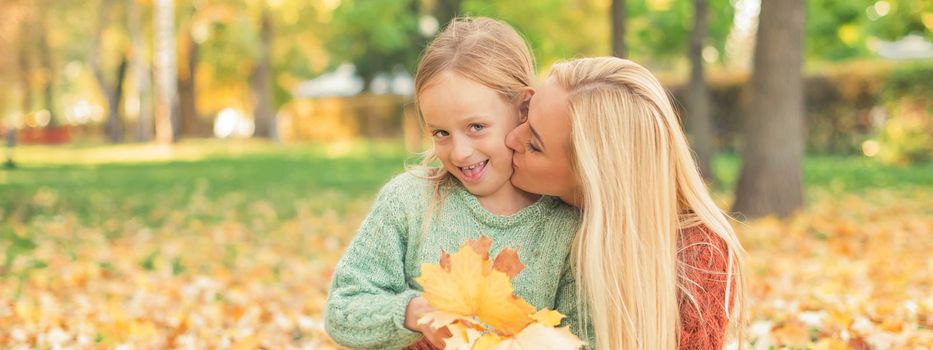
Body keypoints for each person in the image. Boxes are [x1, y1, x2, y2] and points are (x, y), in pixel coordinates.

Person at [324, 17, 582, 349]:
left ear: (523, 108)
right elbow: (343, 309)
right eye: (441, 133)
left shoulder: (566, 225)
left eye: (476, 127)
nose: (459, 152)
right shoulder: (409, 202)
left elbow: (584, 336)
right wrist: (412, 314)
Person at [506, 56, 747, 349]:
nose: (510, 139)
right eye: (524, 118)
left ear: (594, 177)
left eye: (534, 144)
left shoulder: (698, 256)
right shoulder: (501, 199)